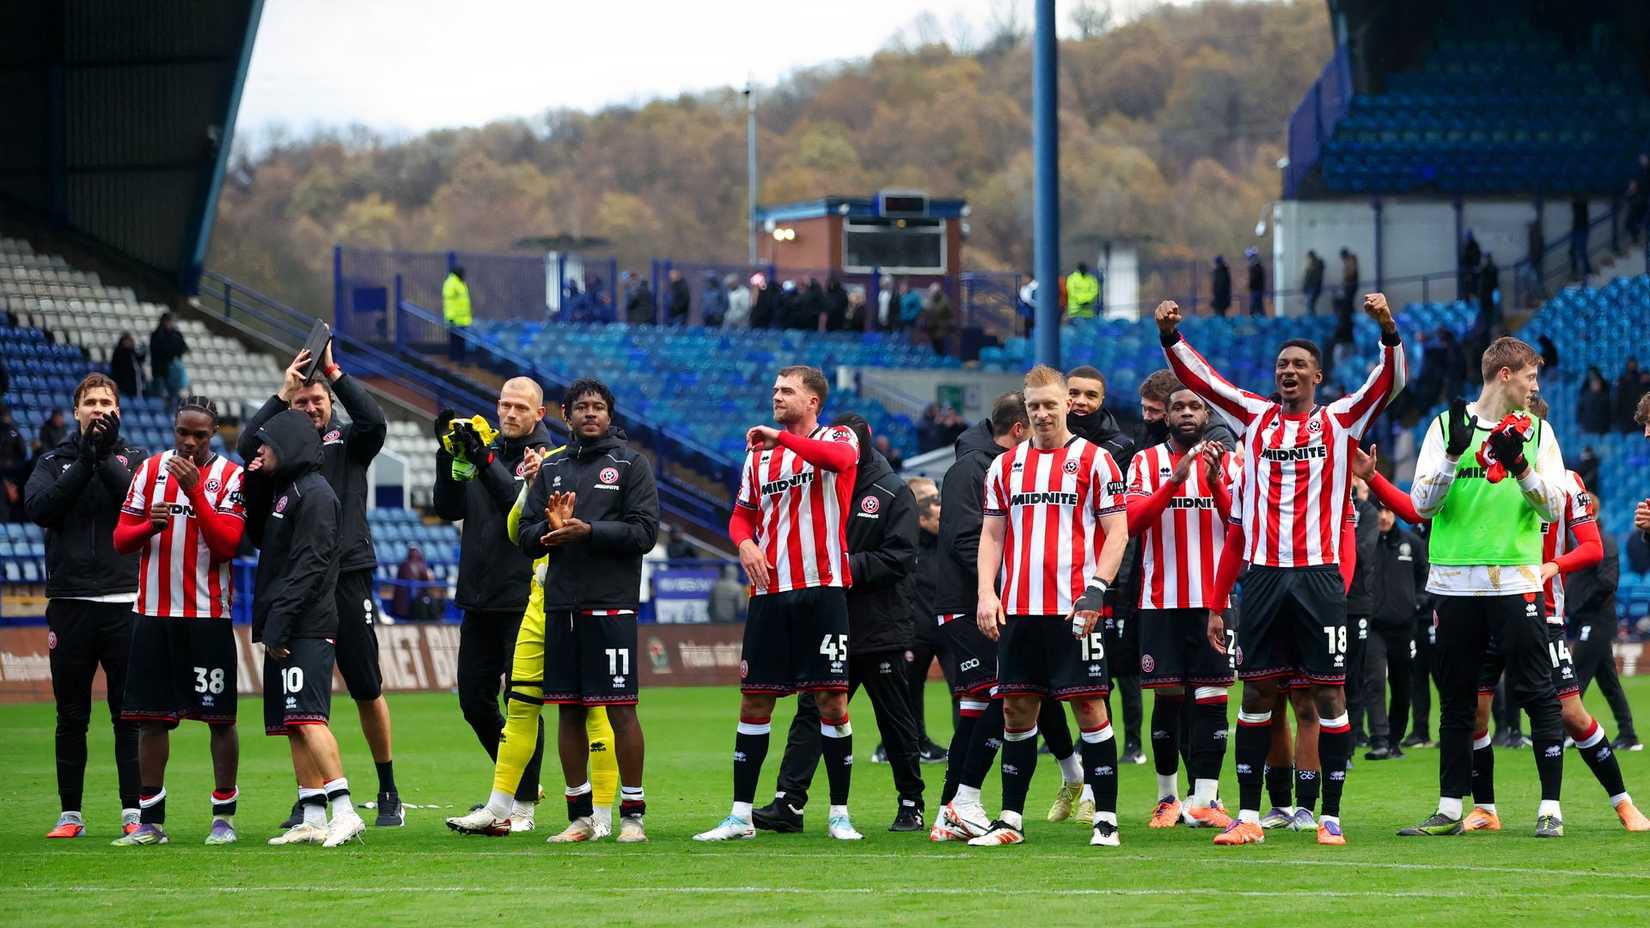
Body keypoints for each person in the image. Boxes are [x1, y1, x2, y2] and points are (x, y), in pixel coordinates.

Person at [1161, 291, 1406, 847]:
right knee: (1256, 696)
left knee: (1328, 697)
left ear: (1318, 375)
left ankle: (1331, 817)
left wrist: (1387, 328)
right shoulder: (1254, 417)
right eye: (1281, 365)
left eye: (1298, 365)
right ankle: (1249, 817)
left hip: (1319, 577)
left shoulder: (1342, 421)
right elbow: (1205, 383)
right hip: (1266, 577)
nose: (1288, 371)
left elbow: (1387, 383)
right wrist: (1171, 337)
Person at [1397, 337, 1569, 838]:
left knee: (1538, 693)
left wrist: (1520, 469)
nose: (1535, 386)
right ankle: (1451, 807)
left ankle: (1551, 809)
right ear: (1505, 376)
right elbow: (1423, 506)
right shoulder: (1445, 427)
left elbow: (1553, 508)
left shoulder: (1539, 432)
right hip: (1452, 581)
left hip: (1515, 578)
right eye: (1531, 376)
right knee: (1456, 699)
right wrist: (1452, 455)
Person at [957, 366, 1130, 849]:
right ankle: (1011, 820)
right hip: (1019, 609)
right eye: (1034, 406)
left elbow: (1118, 531)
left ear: (1065, 406)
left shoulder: (1096, 461)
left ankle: (1107, 820)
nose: (1042, 413)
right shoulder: (1004, 466)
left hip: (1076, 610)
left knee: (1090, 707)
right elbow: (992, 535)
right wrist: (986, 593)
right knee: (1016, 710)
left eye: (1050, 404)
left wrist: (1097, 588)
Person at [694, 366, 863, 842]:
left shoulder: (840, 436)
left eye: (787, 391)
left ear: (813, 401)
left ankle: (839, 814)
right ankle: (740, 815)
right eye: (774, 390)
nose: (777, 396)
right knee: (754, 699)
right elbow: (742, 515)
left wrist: (781, 439)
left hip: (822, 588)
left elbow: (836, 461)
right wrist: (744, 544)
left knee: (831, 700)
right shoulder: (758, 458)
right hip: (770, 593)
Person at [238, 343, 402, 828]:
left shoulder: (349, 441)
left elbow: (375, 423)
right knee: (304, 691)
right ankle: (308, 797)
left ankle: (387, 785)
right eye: (301, 402)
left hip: (349, 574)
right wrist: (281, 392)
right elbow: (251, 447)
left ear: (331, 405)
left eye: (318, 400)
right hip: (304, 580)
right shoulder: (281, 457)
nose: (309, 408)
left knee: (366, 685)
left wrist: (334, 372)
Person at [446, 442, 624, 841]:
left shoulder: (601, 467)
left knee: (593, 711)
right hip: (539, 606)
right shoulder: (549, 468)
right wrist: (530, 486)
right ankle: (498, 808)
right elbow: (515, 530)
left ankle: (602, 815)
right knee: (520, 706)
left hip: (585, 605)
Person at [757, 414, 925, 833]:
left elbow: (901, 558)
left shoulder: (892, 491)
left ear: (863, 443)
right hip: (830, 622)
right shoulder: (819, 478)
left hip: (879, 625)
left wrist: (845, 566)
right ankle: (789, 802)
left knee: (895, 718)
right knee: (812, 712)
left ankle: (911, 802)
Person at [512, 378, 659, 843]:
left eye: (598, 406)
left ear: (610, 415)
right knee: (568, 712)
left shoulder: (632, 465)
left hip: (611, 608)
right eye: (581, 407)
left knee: (620, 711)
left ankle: (632, 814)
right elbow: (523, 532)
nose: (590, 413)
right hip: (561, 607)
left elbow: (644, 532)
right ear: (566, 414)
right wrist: (549, 533)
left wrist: (588, 530)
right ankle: (580, 816)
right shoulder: (553, 468)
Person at [109, 397, 246, 847]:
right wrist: (149, 525)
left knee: (220, 720)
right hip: (152, 614)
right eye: (183, 433)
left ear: (213, 434)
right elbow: (121, 540)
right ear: (174, 429)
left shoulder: (230, 477)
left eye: (200, 435)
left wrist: (192, 494)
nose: (189, 442)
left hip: (207, 617)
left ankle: (223, 816)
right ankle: (150, 821)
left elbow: (227, 546)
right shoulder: (148, 471)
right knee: (150, 720)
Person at [26, 374, 147, 839]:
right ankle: (70, 814)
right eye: (90, 402)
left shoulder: (134, 459)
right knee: (71, 714)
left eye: (106, 402)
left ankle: (133, 811)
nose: (98, 409)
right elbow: (43, 510)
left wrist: (104, 457)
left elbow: (137, 502)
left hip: (124, 601)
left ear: (118, 411)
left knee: (127, 714)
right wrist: (85, 460)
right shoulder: (54, 460)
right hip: (70, 603)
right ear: (76, 410)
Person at [433, 377, 554, 831]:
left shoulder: (544, 459)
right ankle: (521, 784)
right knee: (473, 701)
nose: (509, 413)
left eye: (520, 407)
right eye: (504, 405)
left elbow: (521, 508)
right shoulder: (485, 448)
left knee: (521, 700)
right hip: (478, 594)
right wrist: (449, 457)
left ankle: (521, 806)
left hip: (524, 596)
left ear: (539, 414)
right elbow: (446, 508)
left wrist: (483, 460)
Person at [242, 410, 364, 847]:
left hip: (306, 625)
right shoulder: (285, 491)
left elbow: (309, 566)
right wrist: (254, 479)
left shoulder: (314, 494)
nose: (259, 451)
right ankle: (312, 814)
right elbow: (257, 539)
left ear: (289, 445)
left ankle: (345, 810)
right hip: (290, 622)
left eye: (267, 444)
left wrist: (280, 621)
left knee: (310, 718)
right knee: (294, 721)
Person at [1125, 382, 1237, 831]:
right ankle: (1167, 798)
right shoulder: (1144, 462)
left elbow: (1241, 526)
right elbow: (1131, 522)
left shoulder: (1229, 462)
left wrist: (1213, 484)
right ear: (1165, 416)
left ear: (1207, 414)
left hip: (1215, 600)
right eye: (1178, 407)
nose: (1187, 412)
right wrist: (1173, 482)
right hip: (1161, 600)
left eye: (1195, 406)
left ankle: (1206, 798)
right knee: (1168, 699)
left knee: (1212, 698)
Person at [1065, 366, 1140, 763]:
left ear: (1101, 401)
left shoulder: (1119, 447)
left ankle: (1128, 743)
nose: (1080, 402)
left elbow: (1120, 524)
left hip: (1107, 578)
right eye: (1073, 393)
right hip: (1058, 579)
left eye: (1089, 396)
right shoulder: (1041, 445)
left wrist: (1117, 577)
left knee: (1118, 666)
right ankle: (1073, 743)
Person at [1349, 446, 1429, 761]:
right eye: (1379, 511)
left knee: (1402, 683)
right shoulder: (1365, 539)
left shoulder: (1412, 544)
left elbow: (1426, 575)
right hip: (1374, 623)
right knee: (1373, 681)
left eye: (1388, 511)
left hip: (1406, 624)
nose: (1383, 517)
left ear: (1393, 514)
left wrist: (1419, 602)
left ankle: (1394, 738)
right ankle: (1380, 738)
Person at [1566, 514, 1639, 751]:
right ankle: (1628, 735)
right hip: (1586, 619)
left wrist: (1581, 606)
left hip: (1595, 620)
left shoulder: (1602, 543)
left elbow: (1607, 583)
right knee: (1609, 683)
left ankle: (1561, 732)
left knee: (1576, 677)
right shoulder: (1579, 542)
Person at [903, 476, 949, 763]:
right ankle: (910, 743)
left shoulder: (948, 539)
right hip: (913, 629)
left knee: (964, 688)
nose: (940, 505)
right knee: (908, 689)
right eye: (934, 500)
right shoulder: (903, 543)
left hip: (947, 625)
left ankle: (967, 745)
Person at [148, 313, 188, 409]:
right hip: (160, 371)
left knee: (174, 395)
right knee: (159, 396)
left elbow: (183, 348)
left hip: (173, 373)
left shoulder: (176, 334)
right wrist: (172, 350)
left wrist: (172, 350)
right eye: (168, 321)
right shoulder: (156, 334)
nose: (169, 323)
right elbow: (159, 350)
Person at [392, 545, 441, 622]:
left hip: (409, 602)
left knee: (429, 600)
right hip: (409, 604)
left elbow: (430, 580)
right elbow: (429, 578)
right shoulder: (408, 566)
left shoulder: (407, 565)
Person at [443, 266, 472, 362]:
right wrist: (450, 316)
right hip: (455, 318)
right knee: (455, 340)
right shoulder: (451, 283)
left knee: (461, 340)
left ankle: (460, 358)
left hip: (463, 318)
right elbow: (449, 302)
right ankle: (455, 358)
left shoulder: (460, 282)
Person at [920, 283, 955, 355]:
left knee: (940, 347)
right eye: (931, 291)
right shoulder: (928, 300)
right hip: (930, 328)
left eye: (935, 292)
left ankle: (940, 360)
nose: (933, 293)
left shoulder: (945, 300)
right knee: (932, 347)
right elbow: (924, 313)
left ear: (939, 291)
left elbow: (950, 314)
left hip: (941, 329)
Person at [1615, 359, 1650, 432]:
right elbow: (1619, 398)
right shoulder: (1623, 379)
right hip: (1626, 413)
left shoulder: (1640, 379)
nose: (1632, 367)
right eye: (1630, 365)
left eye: (1633, 365)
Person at [1578, 367, 1612, 434]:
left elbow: (1610, 412)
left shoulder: (1605, 396)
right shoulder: (1585, 396)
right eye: (1594, 383)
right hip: (1589, 428)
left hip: (1603, 429)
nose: (1596, 385)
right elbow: (1580, 411)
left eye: (1597, 383)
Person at [111, 333, 142, 399]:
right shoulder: (118, 352)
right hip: (122, 383)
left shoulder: (132, 353)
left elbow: (139, 360)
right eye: (127, 341)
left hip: (133, 383)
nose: (129, 343)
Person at [1570, 196, 1593, 280]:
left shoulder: (1582, 205)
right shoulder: (1578, 205)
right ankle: (1576, 271)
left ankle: (1587, 271)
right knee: (1573, 252)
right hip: (1577, 229)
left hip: (1582, 229)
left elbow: (1578, 204)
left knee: (1581, 251)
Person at [1302, 250, 1325, 316]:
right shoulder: (1315, 264)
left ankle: (1312, 319)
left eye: (1308, 257)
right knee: (1310, 305)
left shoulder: (1315, 264)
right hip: (1313, 287)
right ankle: (1311, 318)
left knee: (1310, 305)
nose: (1308, 259)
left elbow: (1311, 278)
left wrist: (1305, 286)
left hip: (1313, 287)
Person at [1246, 248, 1266, 317]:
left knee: (1256, 307)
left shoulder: (1257, 268)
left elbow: (1254, 279)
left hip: (1257, 290)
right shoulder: (1255, 267)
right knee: (1256, 307)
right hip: (1255, 290)